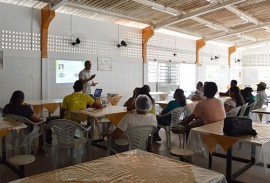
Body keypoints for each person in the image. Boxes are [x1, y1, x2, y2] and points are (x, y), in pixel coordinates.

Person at [46, 80, 105, 144]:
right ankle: (88, 140)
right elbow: (98, 106)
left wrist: (61, 119)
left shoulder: (67, 97)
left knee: (48, 119)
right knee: (89, 120)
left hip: (67, 120)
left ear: (73, 87)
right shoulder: (87, 97)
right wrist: (103, 105)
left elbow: (62, 111)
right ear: (82, 88)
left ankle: (48, 141)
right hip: (80, 121)